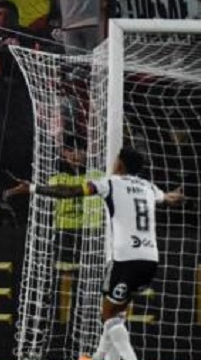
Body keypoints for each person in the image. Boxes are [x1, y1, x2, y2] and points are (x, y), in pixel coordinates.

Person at [20, 148, 185, 360]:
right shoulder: (148, 187)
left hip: (126, 260)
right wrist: (178, 195)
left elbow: (69, 192)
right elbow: (170, 198)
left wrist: (33, 188)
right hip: (150, 260)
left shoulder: (109, 183)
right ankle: (98, 357)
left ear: (120, 165)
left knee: (108, 315)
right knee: (118, 313)